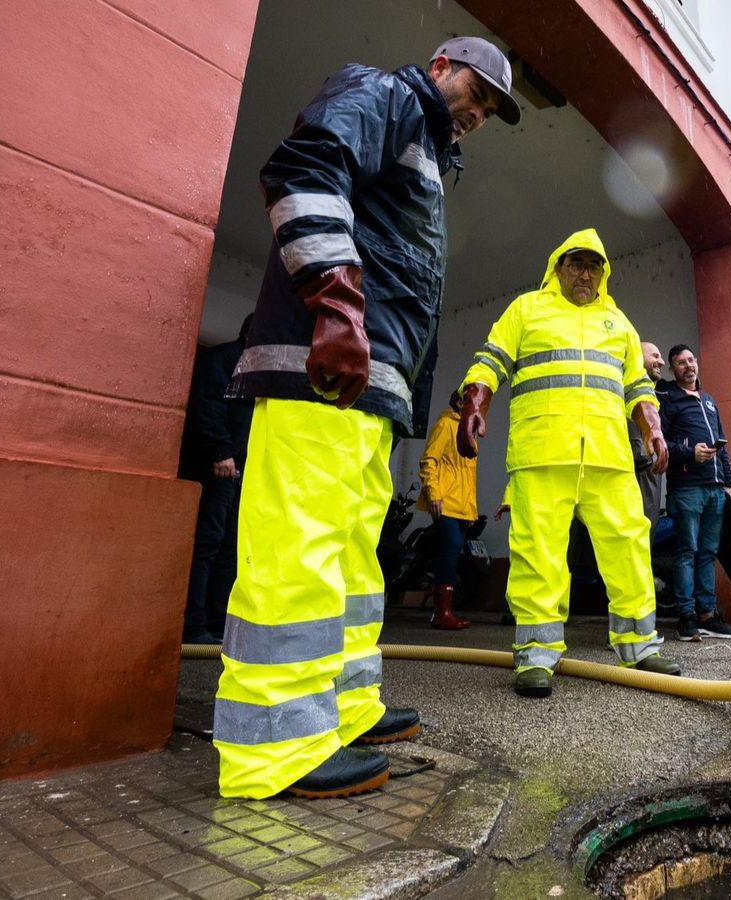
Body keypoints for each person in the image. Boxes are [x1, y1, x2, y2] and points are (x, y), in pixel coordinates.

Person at [214, 37, 520, 800]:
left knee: (351, 558)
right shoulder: (383, 95)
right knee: (303, 549)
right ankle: (274, 752)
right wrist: (339, 306)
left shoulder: (423, 148)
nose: (478, 112)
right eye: (475, 91)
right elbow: (302, 168)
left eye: (489, 109)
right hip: (324, 371)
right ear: (441, 63)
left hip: (366, 391)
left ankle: (344, 711)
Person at [457, 228, 682, 699]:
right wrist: (475, 403)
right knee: (538, 553)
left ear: (604, 273)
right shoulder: (526, 309)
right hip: (542, 451)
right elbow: (490, 360)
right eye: (576, 263)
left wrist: (654, 429)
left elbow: (638, 387)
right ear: (557, 266)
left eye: (594, 265)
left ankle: (639, 644)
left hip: (608, 457)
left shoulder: (619, 323)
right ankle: (537, 655)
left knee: (629, 548)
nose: (585, 273)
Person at [179, 314, 255, 645]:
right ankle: (195, 625)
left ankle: (218, 624)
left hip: (238, 469)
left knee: (228, 549)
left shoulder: (250, 368)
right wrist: (221, 451)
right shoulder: (226, 360)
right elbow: (206, 407)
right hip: (219, 468)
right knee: (210, 545)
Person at [658, 344, 731, 642]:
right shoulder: (668, 400)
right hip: (686, 489)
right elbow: (661, 442)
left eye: (691, 359)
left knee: (707, 554)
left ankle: (708, 615)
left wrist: (729, 482)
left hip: (715, 489)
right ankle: (686, 617)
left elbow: (723, 444)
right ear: (672, 370)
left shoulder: (708, 401)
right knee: (686, 553)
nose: (688, 365)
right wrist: (689, 453)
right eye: (680, 363)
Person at [418, 390, 478, 630]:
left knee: (453, 552)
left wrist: (472, 510)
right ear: (460, 403)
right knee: (451, 548)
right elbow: (428, 460)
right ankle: (441, 613)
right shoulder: (445, 424)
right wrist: (433, 493)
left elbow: (468, 475)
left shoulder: (469, 430)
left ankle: (445, 611)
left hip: (462, 506)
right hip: (445, 502)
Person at [630, 342, 667, 530]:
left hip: (649, 476)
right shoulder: (626, 390)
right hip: (633, 476)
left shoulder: (655, 394)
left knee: (647, 534)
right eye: (654, 356)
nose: (661, 361)